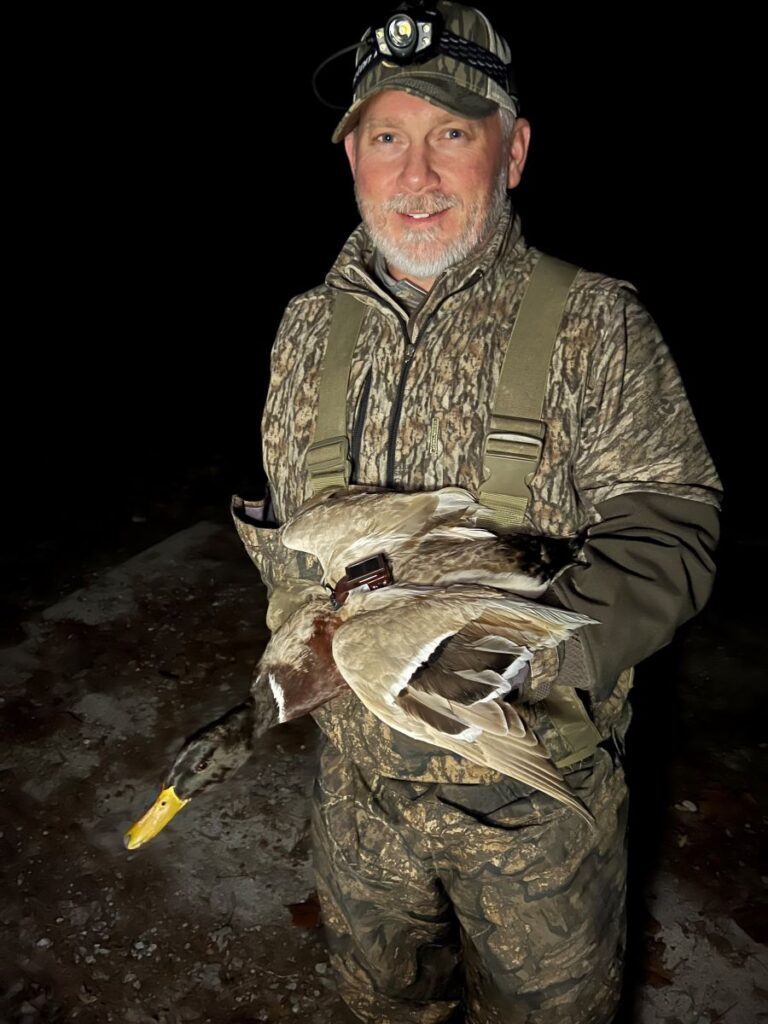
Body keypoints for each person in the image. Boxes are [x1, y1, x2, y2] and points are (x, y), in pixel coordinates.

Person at [233, 3, 722, 1021]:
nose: (416, 177)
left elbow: (673, 528)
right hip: (357, 804)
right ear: (353, 157)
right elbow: (300, 568)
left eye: (453, 134)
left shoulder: (593, 323)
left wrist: (528, 654)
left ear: (514, 151)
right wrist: (298, 657)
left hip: (533, 809)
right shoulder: (303, 332)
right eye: (387, 137)